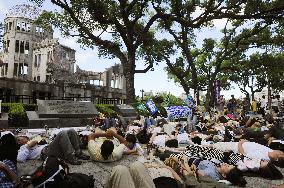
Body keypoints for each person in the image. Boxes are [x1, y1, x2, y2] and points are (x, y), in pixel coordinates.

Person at [17, 129, 89, 165]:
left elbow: (44, 139)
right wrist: (28, 146)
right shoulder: (22, 148)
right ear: (19, 142)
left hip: (50, 147)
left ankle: (78, 152)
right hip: (45, 153)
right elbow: (20, 159)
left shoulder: (31, 139)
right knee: (62, 133)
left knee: (71, 131)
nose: (24, 136)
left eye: (24, 135)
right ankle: (71, 157)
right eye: (21, 137)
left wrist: (41, 138)